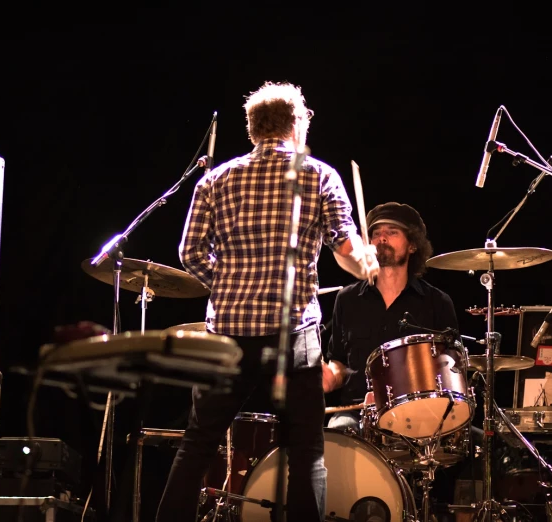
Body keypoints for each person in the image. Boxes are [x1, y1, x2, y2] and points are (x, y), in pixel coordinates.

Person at [155, 81, 380, 522]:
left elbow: (189, 253)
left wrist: (228, 286)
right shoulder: (319, 175)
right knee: (306, 451)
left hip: (227, 337)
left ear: (252, 128)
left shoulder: (215, 180)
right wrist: (366, 263)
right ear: (296, 124)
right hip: (292, 335)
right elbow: (347, 251)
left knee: (198, 444)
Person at [322, 202, 460, 429]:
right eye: (376, 233)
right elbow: (339, 361)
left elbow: (451, 367)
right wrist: (331, 376)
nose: (382, 238)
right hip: (358, 413)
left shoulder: (437, 302)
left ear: (413, 245)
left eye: (392, 232)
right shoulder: (347, 299)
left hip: (419, 412)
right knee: (336, 433)